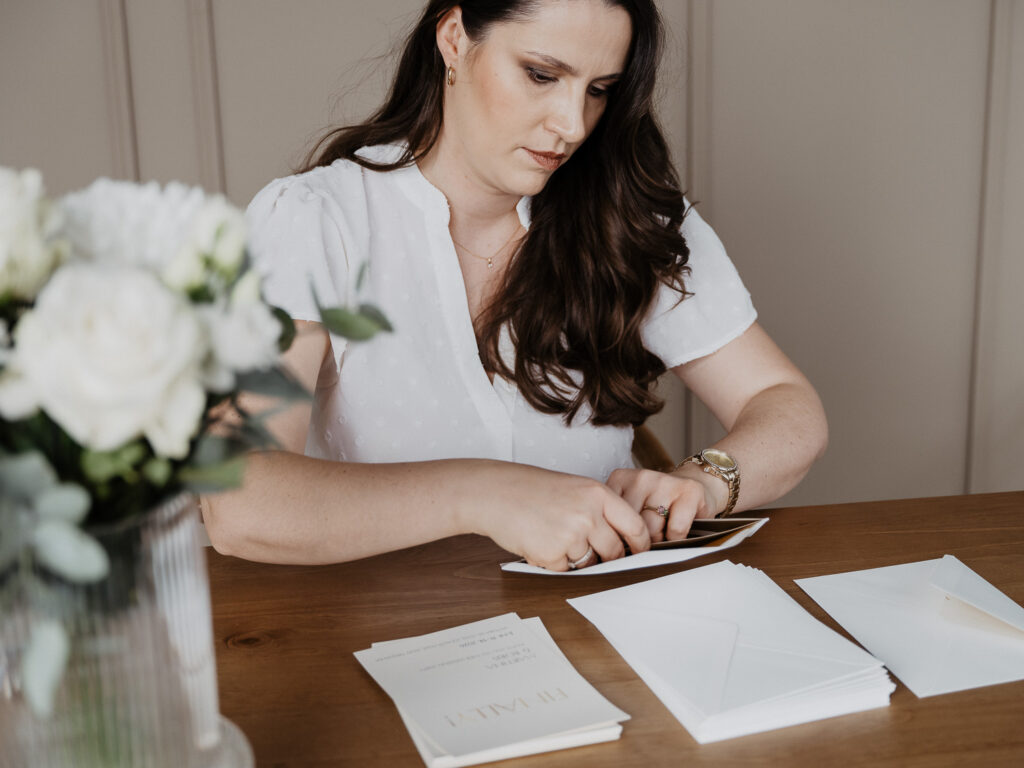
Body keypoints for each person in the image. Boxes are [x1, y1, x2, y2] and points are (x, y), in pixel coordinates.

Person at [202, 0, 827, 572]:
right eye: (541, 74)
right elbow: (238, 502)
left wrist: (709, 480)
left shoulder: (630, 217)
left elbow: (784, 404)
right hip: (386, 634)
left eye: (599, 90)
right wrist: (485, 493)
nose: (573, 125)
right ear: (453, 38)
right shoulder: (315, 220)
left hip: (605, 619)